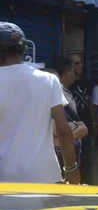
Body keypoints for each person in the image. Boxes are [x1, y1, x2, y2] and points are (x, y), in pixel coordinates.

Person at [0, 22, 79, 184]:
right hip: (45, 175)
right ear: (24, 49)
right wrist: (71, 169)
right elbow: (63, 131)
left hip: (4, 177)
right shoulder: (48, 80)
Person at [52, 57, 89, 173]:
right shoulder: (58, 95)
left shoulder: (67, 93)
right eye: (72, 71)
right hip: (61, 153)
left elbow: (82, 128)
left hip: (71, 149)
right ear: (68, 73)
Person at [68, 53, 94, 184]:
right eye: (76, 63)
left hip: (87, 125)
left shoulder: (85, 83)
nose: (80, 66)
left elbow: (90, 103)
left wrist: (93, 122)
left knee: (87, 158)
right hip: (74, 126)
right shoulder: (68, 85)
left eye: (81, 63)